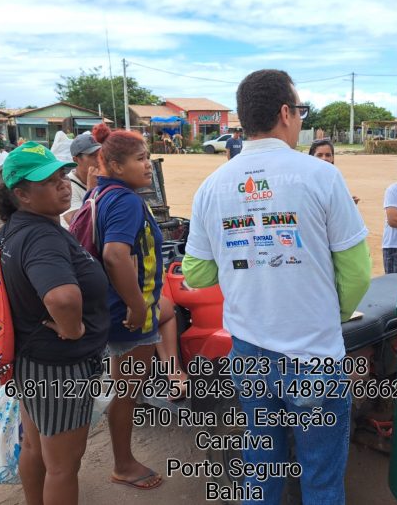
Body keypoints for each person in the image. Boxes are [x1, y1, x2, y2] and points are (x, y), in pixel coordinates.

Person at [182, 69, 372, 504]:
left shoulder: (212, 187)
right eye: (300, 110)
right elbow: (358, 272)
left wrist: (241, 260)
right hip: (313, 355)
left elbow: (197, 274)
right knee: (320, 476)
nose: (300, 119)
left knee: (262, 469)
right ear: (285, 113)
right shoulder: (321, 176)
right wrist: (333, 312)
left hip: (248, 350)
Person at [0, 142, 111, 505]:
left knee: (34, 443)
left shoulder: (16, 228)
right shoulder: (43, 237)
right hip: (59, 367)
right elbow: (61, 297)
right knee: (63, 465)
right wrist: (74, 329)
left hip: (31, 361)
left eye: (61, 175)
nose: (62, 184)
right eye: (48, 180)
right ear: (22, 194)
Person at [91, 127, 172, 490]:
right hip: (126, 316)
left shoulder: (102, 193)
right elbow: (114, 255)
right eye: (140, 159)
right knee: (126, 390)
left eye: (146, 157)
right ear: (113, 165)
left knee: (126, 385)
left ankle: (174, 372)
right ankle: (123, 463)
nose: (147, 166)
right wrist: (137, 306)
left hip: (114, 307)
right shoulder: (126, 200)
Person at [60, 132, 101, 227]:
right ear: (76, 159)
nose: (99, 160)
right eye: (92, 156)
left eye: (100, 155)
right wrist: (91, 191)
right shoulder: (67, 185)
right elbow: (78, 224)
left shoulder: (103, 179)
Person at [309, 138, 360, 204]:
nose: (324, 158)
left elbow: (337, 206)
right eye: (319, 155)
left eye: (328, 155)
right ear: (311, 157)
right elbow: (292, 210)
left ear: (332, 158)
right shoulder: (303, 180)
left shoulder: (335, 179)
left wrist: (349, 203)